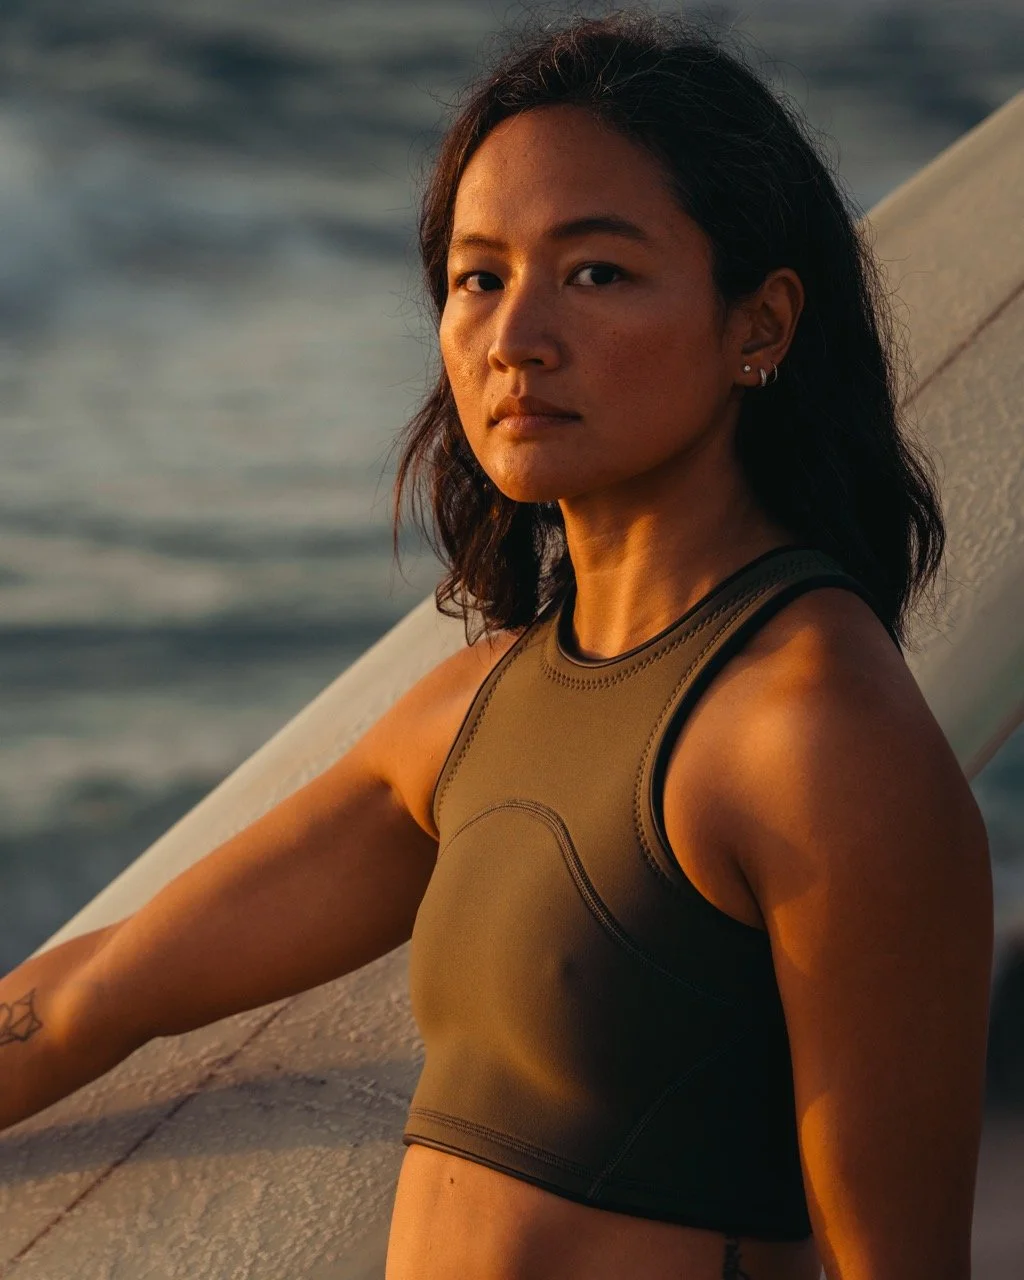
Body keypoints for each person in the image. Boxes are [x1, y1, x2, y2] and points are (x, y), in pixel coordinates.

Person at [0, 11, 993, 1280]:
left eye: (596, 273)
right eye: (479, 276)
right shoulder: (476, 705)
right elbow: (102, 993)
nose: (515, 337)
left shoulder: (814, 733)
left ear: (761, 325)